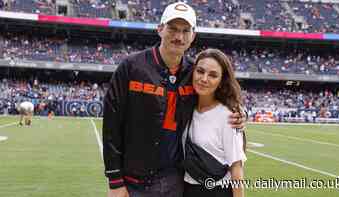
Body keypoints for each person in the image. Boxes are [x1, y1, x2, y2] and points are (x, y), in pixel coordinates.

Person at [103, 2, 246, 197]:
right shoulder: (131, 67)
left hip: (177, 181)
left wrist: (240, 113)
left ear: (193, 36)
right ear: (160, 29)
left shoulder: (193, 73)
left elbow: (219, 98)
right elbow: (111, 126)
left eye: (185, 31)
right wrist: (115, 181)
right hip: (133, 181)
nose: (179, 36)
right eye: (172, 28)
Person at [182, 49, 246, 197]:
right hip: (187, 189)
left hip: (217, 191)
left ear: (221, 81)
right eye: (200, 71)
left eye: (213, 75)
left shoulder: (229, 117)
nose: (204, 79)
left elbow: (236, 168)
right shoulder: (185, 107)